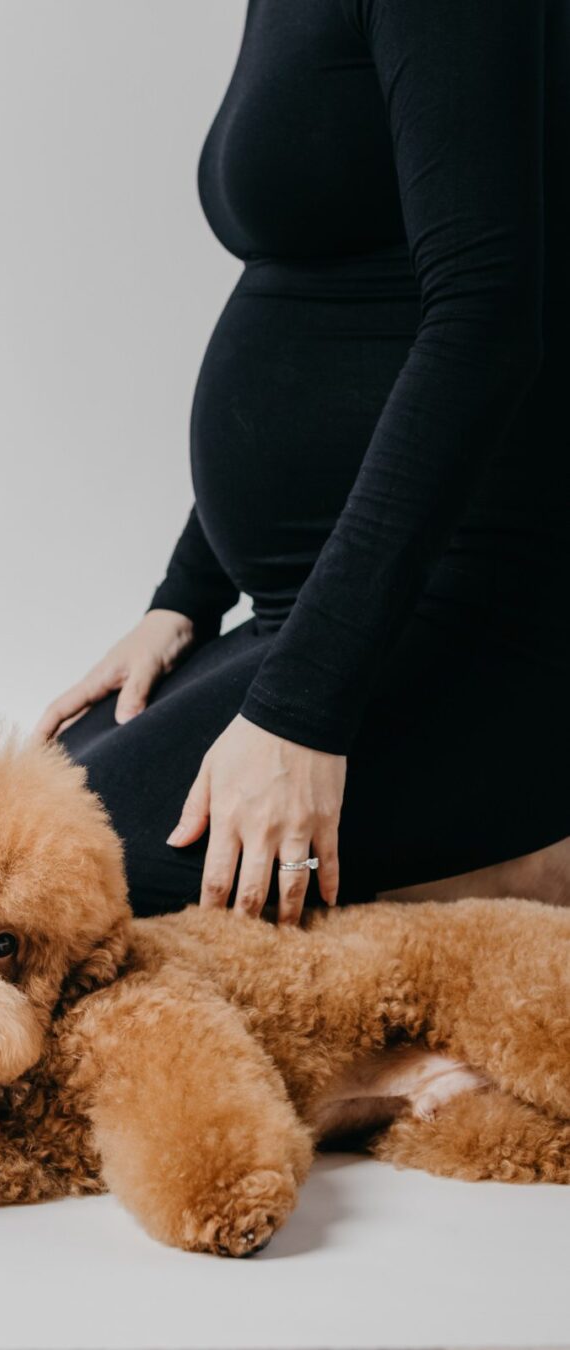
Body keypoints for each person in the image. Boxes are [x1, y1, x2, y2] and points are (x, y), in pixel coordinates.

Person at [35, 0, 570, 926]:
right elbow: (321, 320)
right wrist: (182, 599)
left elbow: (487, 323)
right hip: (320, 602)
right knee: (24, 807)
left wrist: (302, 715)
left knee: (53, 899)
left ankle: (519, 882)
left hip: (473, 612)